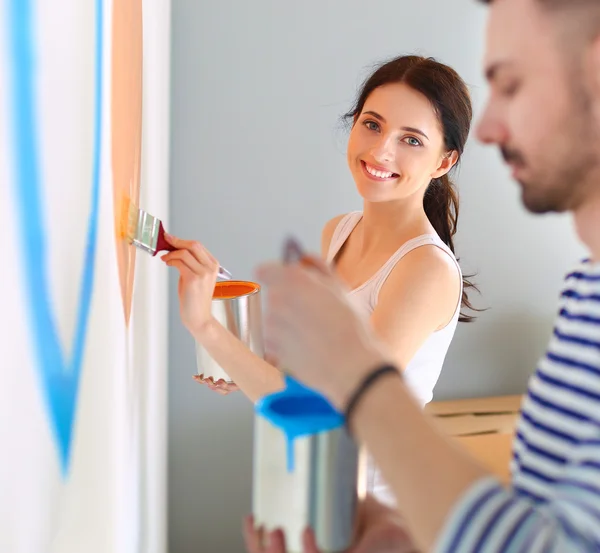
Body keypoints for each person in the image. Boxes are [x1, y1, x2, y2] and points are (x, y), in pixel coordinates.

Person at [248, 0, 600, 551]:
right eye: (372, 124)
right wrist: (400, 538)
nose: (487, 129)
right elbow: (548, 529)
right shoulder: (585, 294)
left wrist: (357, 377)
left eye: (511, 84)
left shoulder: (430, 268)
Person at [163, 55, 479, 505]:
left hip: (379, 514)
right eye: (372, 124)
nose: (382, 151)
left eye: (411, 139)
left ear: (444, 161)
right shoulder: (340, 232)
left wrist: (207, 329)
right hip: (316, 488)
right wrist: (243, 359)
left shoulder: (425, 270)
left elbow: (332, 410)